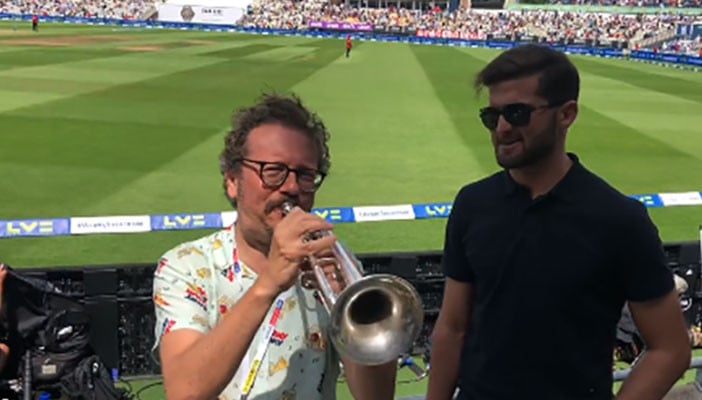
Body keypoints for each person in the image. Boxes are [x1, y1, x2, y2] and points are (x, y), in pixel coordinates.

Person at [425, 44, 691, 400]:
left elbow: (670, 348)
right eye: (492, 116)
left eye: (517, 113)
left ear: (566, 114)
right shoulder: (472, 204)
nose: (502, 128)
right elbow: (452, 328)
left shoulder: (620, 220)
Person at [151, 93, 397, 400]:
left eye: (305, 175)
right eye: (273, 170)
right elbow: (184, 392)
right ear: (232, 180)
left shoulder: (332, 267)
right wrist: (268, 284)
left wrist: (350, 309)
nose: (292, 187)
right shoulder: (186, 265)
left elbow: (376, 397)